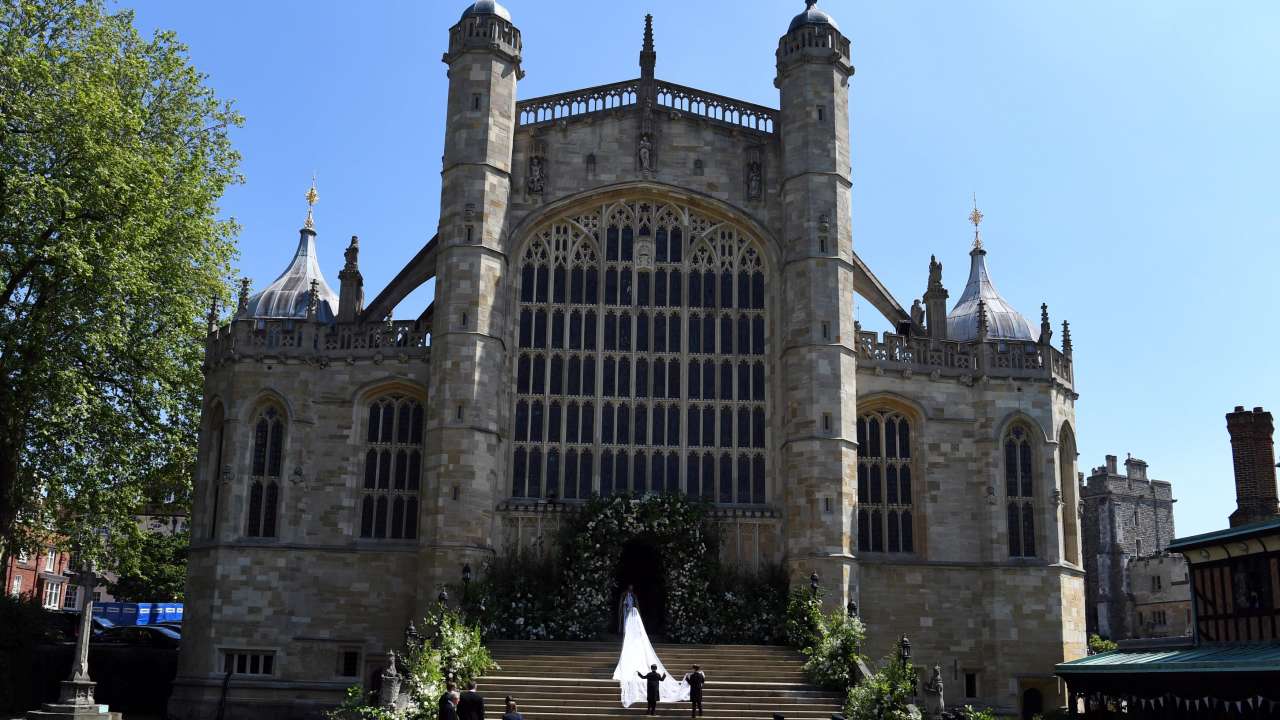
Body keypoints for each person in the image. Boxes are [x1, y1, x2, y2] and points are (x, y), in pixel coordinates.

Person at [612, 606, 688, 710]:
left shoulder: (630, 628)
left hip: (632, 644)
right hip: (638, 643)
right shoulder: (639, 629)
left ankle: (649, 710)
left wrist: (639, 674)